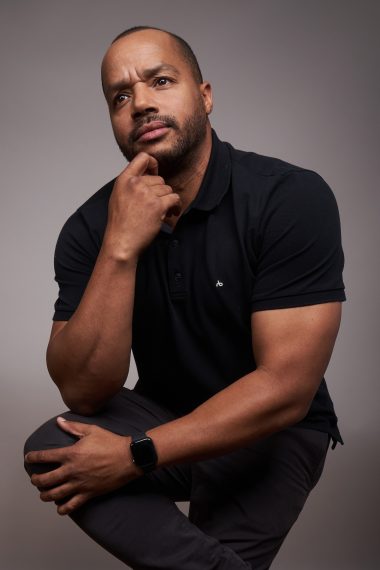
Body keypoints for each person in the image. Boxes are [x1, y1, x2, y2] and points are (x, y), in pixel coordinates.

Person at [24, 26, 346, 570]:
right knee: (52, 445)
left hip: (272, 431)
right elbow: (85, 389)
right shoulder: (88, 227)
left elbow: (287, 388)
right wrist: (119, 249)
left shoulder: (288, 196)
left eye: (161, 81)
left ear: (205, 95)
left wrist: (135, 455)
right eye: (120, 96)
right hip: (165, 412)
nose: (140, 103)